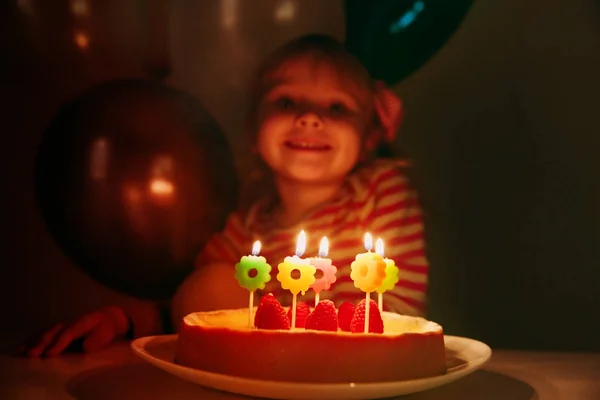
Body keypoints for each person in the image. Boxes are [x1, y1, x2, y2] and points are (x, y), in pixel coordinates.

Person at [21, 33, 428, 357]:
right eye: (286, 101)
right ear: (254, 130)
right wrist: (125, 318)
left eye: (337, 108)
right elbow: (194, 306)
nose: (309, 117)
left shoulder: (380, 191)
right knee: (213, 280)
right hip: (266, 377)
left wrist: (318, 336)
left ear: (370, 135)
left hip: (357, 371)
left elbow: (400, 310)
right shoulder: (249, 225)